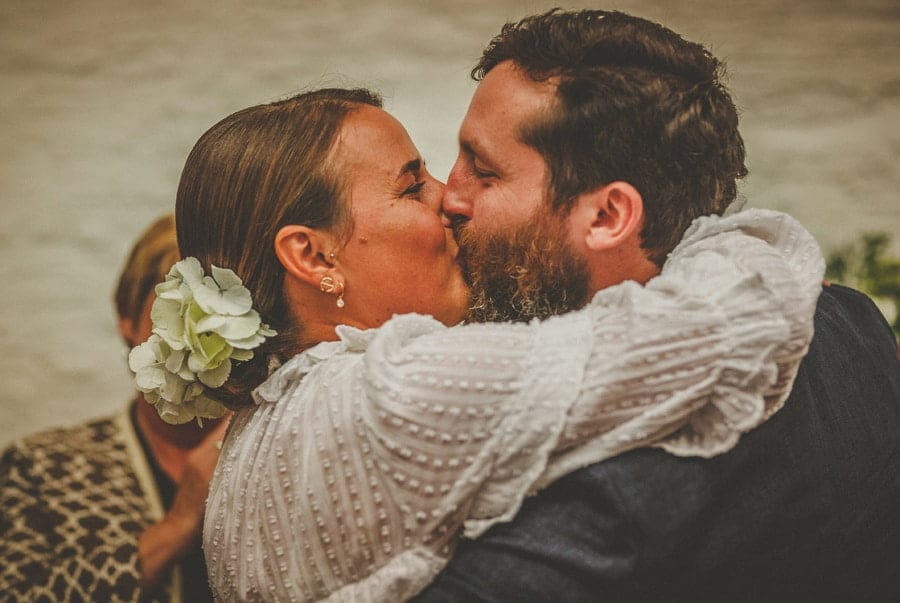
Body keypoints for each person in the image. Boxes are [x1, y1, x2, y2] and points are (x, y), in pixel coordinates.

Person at [132, 86, 823, 601]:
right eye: (412, 185)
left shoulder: (260, 431)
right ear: (313, 256)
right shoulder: (388, 392)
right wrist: (725, 234)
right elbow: (717, 335)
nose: (450, 199)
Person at [412, 9, 900, 601]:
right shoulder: (848, 319)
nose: (448, 195)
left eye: (483, 172)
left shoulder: (614, 468)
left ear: (609, 217)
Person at [0, 214, 225, 602]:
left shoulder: (278, 452)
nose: (194, 341)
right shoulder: (44, 467)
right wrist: (179, 524)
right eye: (175, 316)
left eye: (216, 320)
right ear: (127, 315)